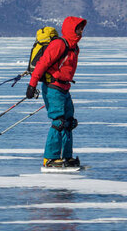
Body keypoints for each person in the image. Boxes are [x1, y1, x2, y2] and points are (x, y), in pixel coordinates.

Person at [26, 16, 87, 168]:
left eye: (81, 28)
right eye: (78, 28)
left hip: (65, 88)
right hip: (53, 87)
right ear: (71, 29)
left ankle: (66, 156)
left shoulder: (74, 48)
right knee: (59, 122)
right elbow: (42, 63)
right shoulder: (59, 44)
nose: (81, 31)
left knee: (69, 122)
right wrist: (32, 85)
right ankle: (50, 159)